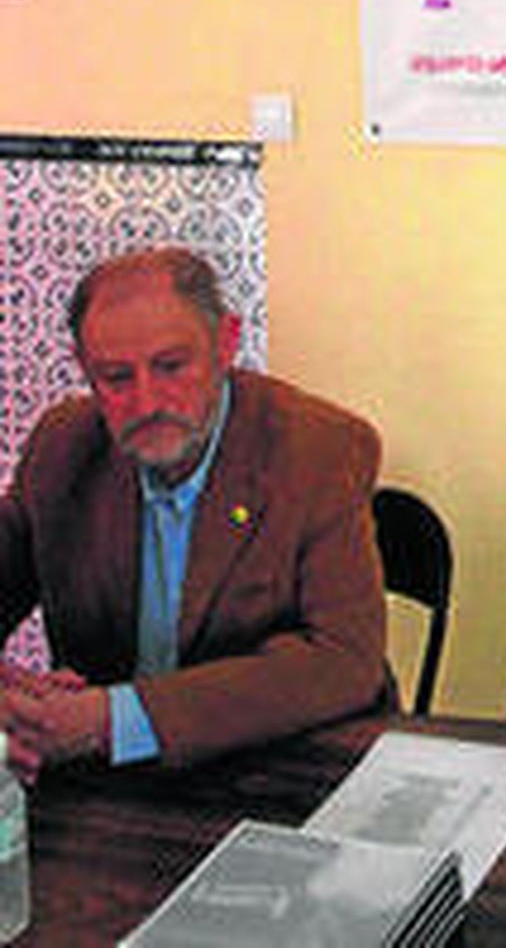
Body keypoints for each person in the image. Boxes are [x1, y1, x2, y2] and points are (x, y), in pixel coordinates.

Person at [0, 246, 388, 778]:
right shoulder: (63, 446)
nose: (146, 402)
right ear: (84, 369)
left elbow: (344, 659)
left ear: (226, 342)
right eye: (116, 377)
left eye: (170, 366)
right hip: (106, 785)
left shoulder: (320, 449)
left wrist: (116, 719)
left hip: (278, 772)